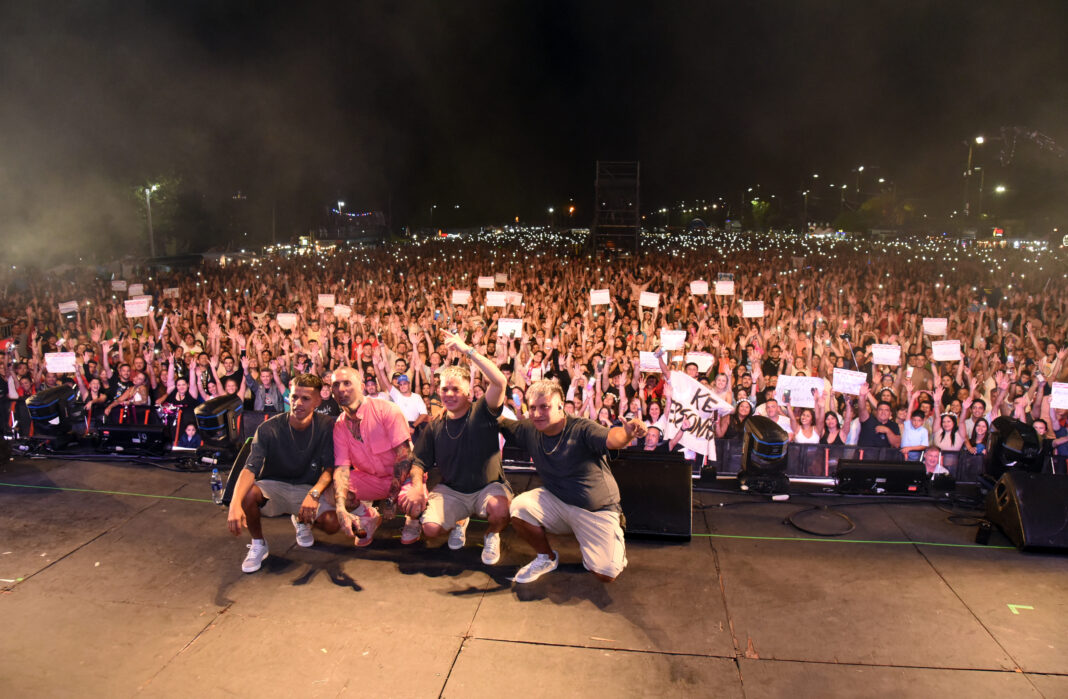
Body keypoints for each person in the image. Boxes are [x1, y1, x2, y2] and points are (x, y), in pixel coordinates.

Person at [499, 379, 646, 584]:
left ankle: (605, 541)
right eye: (532, 408)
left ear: (561, 406)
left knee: (606, 573)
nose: (537, 413)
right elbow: (499, 420)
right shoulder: (529, 429)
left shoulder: (582, 428)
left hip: (595, 510)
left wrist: (627, 433)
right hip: (558, 500)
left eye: (544, 407)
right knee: (518, 507)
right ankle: (547, 558)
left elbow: (612, 439)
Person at [412, 333, 511, 565]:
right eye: (445, 389)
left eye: (456, 390)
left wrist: (467, 350)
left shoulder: (482, 412)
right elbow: (419, 460)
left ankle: (491, 534)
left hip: (488, 487)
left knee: (500, 511)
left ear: (468, 393)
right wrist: (417, 486)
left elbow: (500, 382)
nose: (449, 394)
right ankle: (460, 521)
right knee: (430, 529)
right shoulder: (436, 424)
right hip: (453, 490)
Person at [226, 373, 339, 573]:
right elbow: (249, 468)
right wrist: (235, 504)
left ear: (317, 401)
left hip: (306, 487)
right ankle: (258, 543)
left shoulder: (326, 426)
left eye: (305, 398)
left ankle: (301, 520)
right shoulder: (269, 428)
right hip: (274, 486)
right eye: (294, 397)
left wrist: (314, 493)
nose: (298, 403)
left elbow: (330, 468)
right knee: (249, 494)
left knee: (332, 524)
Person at [331, 366, 425, 547]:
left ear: (361, 386)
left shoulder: (387, 409)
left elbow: (405, 458)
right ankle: (368, 516)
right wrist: (341, 507)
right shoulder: (339, 425)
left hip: (403, 477)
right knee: (335, 490)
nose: (341, 389)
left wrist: (390, 499)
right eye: (336, 385)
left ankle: (412, 521)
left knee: (414, 500)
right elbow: (342, 468)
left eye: (347, 383)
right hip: (372, 479)